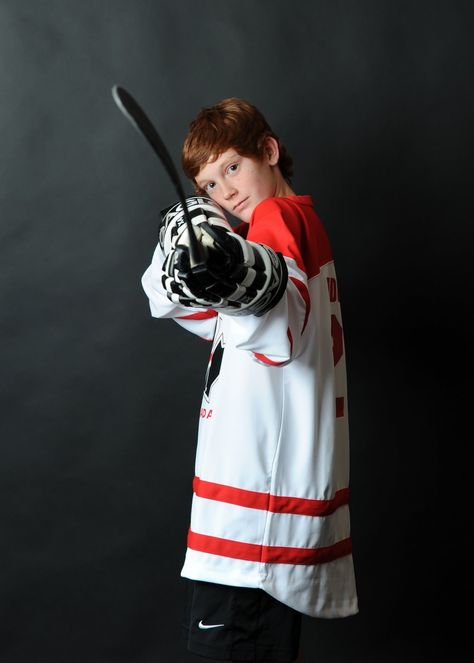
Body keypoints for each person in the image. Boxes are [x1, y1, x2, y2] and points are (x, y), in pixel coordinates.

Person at [141, 98, 358, 662]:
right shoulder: (294, 224)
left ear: (269, 150)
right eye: (209, 186)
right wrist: (195, 247)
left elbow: (279, 323)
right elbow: (185, 308)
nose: (226, 192)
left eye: (232, 167)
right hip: (270, 516)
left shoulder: (276, 221)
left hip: (255, 526)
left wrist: (237, 272)